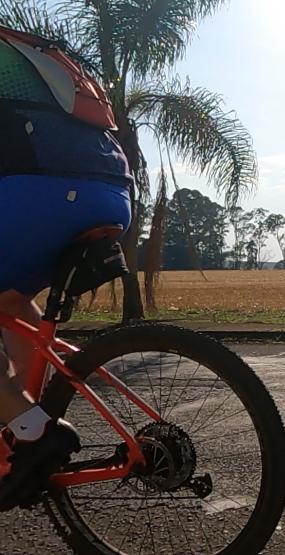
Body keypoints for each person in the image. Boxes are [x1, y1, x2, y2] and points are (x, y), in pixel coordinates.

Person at [0, 32, 132, 510]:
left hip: (37, 189)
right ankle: (25, 416)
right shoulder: (19, 49)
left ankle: (33, 432)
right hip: (111, 189)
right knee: (10, 301)